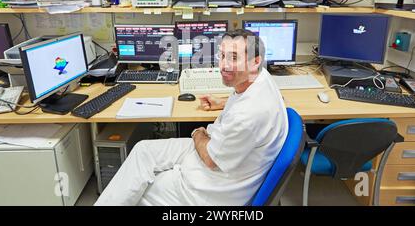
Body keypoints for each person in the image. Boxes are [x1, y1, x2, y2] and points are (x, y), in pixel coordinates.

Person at [94, 29, 289, 206]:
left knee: (137, 192)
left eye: (234, 57)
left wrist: (197, 133)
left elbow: (211, 159)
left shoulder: (248, 115)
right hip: (218, 149)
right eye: (222, 56)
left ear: (255, 61)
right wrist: (222, 102)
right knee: (143, 150)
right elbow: (251, 101)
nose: (224, 65)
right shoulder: (262, 78)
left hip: (213, 187)